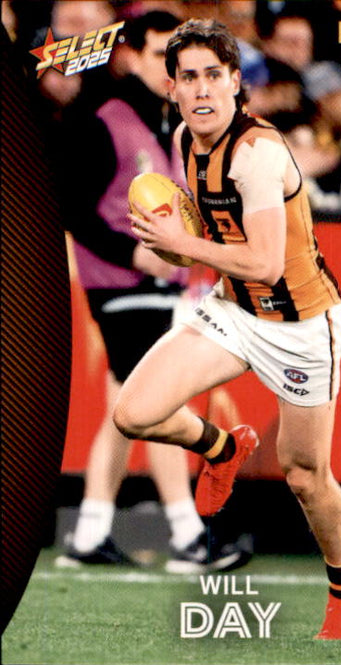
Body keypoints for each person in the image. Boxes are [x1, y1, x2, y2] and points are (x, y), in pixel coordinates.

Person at [114, 18, 341, 640]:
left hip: (301, 324)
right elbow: (212, 239)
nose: (201, 89)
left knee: (305, 475)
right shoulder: (186, 137)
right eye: (188, 77)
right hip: (234, 308)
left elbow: (263, 262)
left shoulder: (257, 154)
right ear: (173, 88)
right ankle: (223, 448)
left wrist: (179, 244)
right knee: (134, 413)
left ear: (236, 82)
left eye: (213, 75)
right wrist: (170, 242)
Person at [54, 10, 250, 574]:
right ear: (131, 56)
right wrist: (133, 254)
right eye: (162, 55)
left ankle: (90, 533)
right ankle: (189, 537)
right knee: (159, 403)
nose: (173, 71)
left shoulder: (168, 120)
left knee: (128, 408)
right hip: (121, 286)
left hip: (159, 285)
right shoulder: (105, 119)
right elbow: (74, 211)